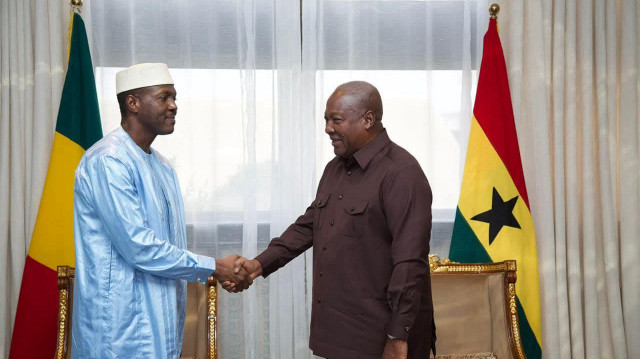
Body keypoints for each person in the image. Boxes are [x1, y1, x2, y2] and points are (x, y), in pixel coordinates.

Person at [229, 81, 436, 359]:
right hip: (339, 335)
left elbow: (410, 264)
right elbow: (308, 226)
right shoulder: (334, 169)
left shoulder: (402, 173)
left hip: (382, 337)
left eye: (335, 120)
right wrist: (257, 265)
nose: (327, 128)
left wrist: (397, 337)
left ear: (368, 120)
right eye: (326, 120)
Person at [72, 63, 251, 358]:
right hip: (119, 324)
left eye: (174, 97)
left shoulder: (163, 166)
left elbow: (169, 246)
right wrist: (215, 267)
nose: (174, 106)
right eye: (164, 97)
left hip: (164, 315)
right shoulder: (108, 161)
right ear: (133, 103)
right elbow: (139, 247)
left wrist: (216, 268)